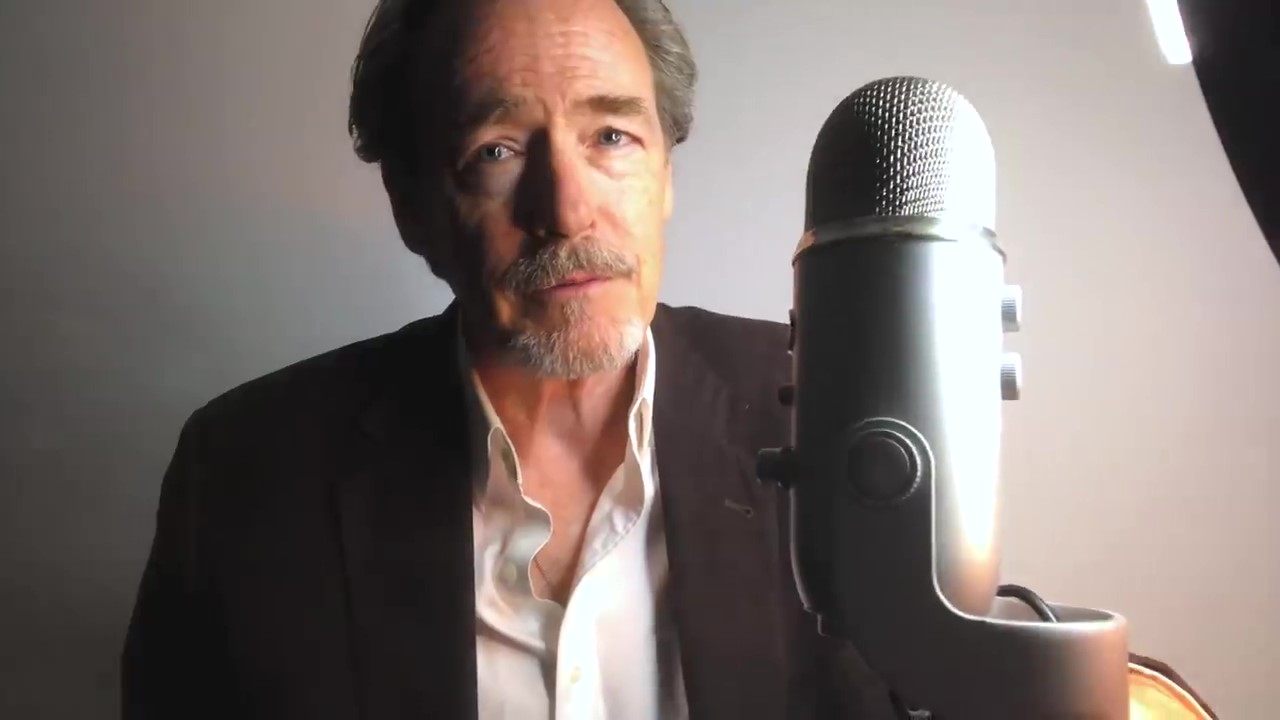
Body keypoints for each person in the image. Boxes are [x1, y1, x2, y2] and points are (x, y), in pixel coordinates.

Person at [121, 0, 1216, 718]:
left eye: (612, 136)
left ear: (666, 174)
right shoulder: (245, 472)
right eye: (497, 149)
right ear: (412, 204)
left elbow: (954, 661)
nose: (566, 208)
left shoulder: (827, 399)